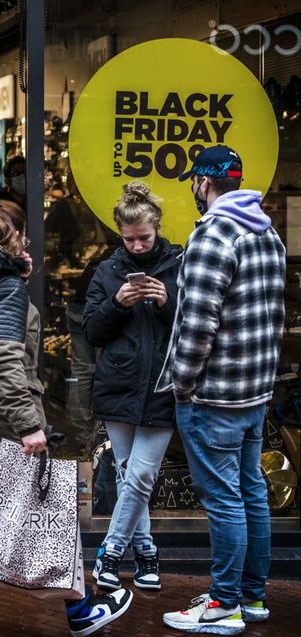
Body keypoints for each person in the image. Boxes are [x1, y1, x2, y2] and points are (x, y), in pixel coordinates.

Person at [0, 205, 132, 636]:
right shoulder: (5, 287)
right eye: (22, 238)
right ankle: (80, 609)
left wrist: (14, 272)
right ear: (11, 239)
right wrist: (28, 423)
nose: (27, 244)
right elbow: (5, 360)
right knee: (38, 506)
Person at [159, 146, 286, 634]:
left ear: (204, 183)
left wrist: (184, 385)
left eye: (193, 180)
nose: (192, 187)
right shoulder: (266, 232)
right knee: (251, 493)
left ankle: (224, 604)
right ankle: (251, 596)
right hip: (254, 394)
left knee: (225, 500)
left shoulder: (214, 235)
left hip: (213, 398)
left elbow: (196, 326)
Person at [82, 181, 181, 592]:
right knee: (127, 476)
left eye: (144, 238)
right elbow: (91, 332)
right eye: (129, 239)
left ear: (157, 228)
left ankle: (109, 553)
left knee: (140, 475)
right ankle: (147, 554)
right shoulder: (108, 270)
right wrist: (116, 304)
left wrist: (167, 302)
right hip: (119, 384)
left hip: (163, 384)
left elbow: (196, 324)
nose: (137, 246)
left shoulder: (180, 264)